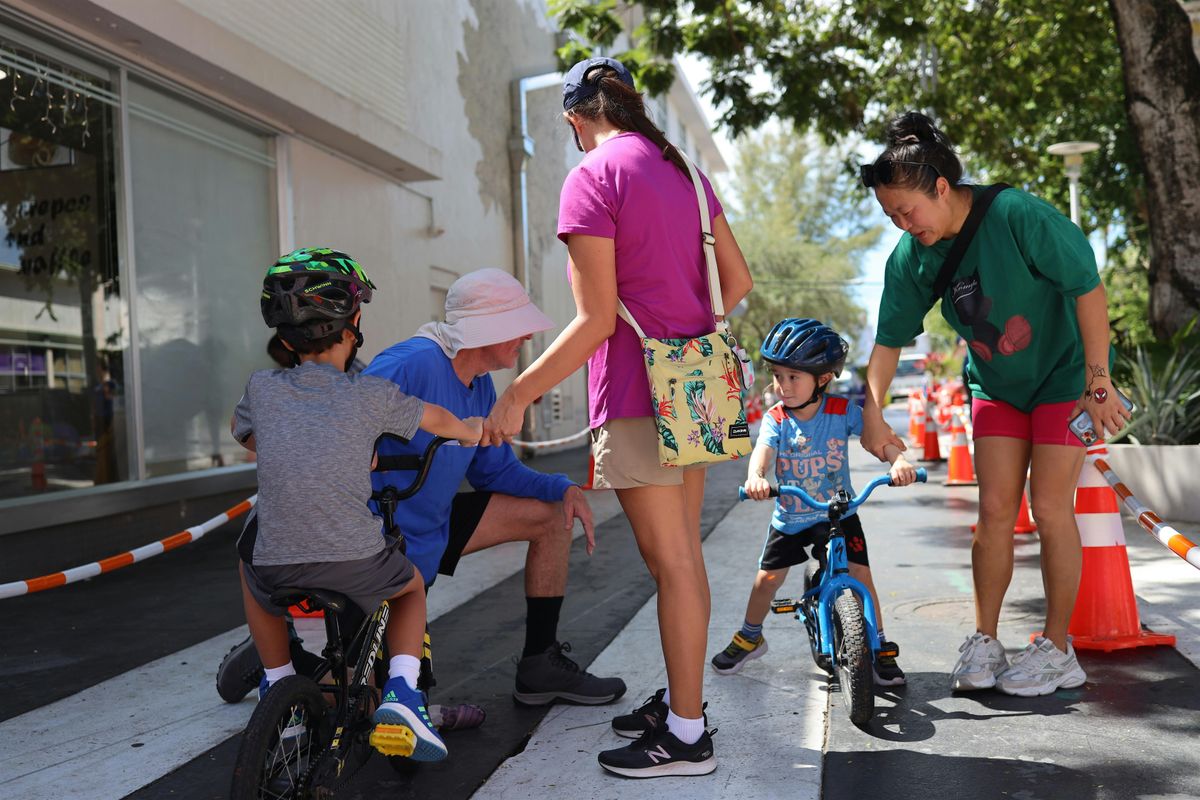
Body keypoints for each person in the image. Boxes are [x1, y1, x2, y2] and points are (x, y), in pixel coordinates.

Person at [483, 57, 753, 778]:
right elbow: (739, 279)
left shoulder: (592, 177)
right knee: (684, 560)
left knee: (670, 565)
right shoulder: (685, 173)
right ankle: (683, 704)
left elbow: (596, 320)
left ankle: (687, 735)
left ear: (576, 119)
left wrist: (518, 394)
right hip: (696, 391)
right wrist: (693, 327)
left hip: (640, 393)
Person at [858, 112, 1130, 697]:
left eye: (908, 210)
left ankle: (1058, 648)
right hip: (997, 387)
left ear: (940, 187)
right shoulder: (913, 257)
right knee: (996, 512)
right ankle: (984, 639)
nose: (903, 224)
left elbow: (1088, 287)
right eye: (890, 216)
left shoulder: (1016, 215)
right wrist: (872, 407)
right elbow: (887, 343)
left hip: (1062, 380)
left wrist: (1098, 379)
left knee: (1051, 507)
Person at [230, 247, 483, 761]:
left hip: (277, 565)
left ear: (283, 339)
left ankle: (278, 684)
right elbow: (436, 419)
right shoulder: (371, 395)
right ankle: (403, 693)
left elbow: (248, 438)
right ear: (355, 324)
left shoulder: (261, 388)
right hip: (354, 560)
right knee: (410, 585)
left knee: (247, 563)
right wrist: (474, 429)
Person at [365, 267, 627, 708]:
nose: (525, 338)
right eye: (517, 327)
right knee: (374, 710)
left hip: (433, 525)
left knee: (550, 516)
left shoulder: (481, 383)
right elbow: (340, 420)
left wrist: (561, 487)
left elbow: (495, 473)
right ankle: (269, 657)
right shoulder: (409, 363)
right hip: (378, 535)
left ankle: (539, 666)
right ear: (485, 330)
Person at [712, 318, 916, 683]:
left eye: (794, 377)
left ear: (822, 378)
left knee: (861, 577)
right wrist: (755, 476)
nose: (783, 386)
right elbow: (763, 449)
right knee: (768, 579)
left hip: (838, 513)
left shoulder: (841, 412)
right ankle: (750, 636)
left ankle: (879, 645)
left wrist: (897, 460)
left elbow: (876, 438)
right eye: (778, 376)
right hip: (792, 514)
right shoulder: (777, 418)